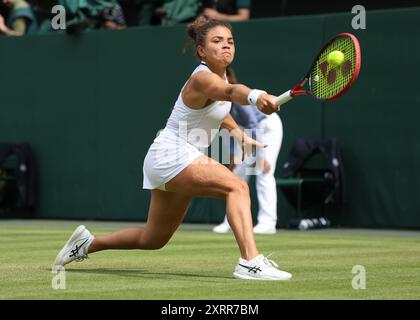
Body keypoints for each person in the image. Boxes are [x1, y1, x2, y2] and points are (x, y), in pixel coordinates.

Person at [53, 16, 292, 281]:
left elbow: (220, 110)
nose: (226, 46)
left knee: (152, 238)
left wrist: (238, 133)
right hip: (172, 155)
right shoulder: (203, 79)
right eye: (217, 41)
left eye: (230, 41)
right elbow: (232, 91)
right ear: (201, 50)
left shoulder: (219, 78)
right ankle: (250, 262)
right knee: (237, 187)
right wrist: (257, 96)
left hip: (169, 158)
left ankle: (86, 244)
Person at [213, 67, 283, 235]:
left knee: (263, 171)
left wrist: (261, 157)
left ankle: (268, 222)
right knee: (236, 177)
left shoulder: (237, 97)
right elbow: (227, 126)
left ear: (229, 79)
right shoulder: (215, 100)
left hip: (266, 128)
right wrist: (233, 156)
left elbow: (253, 125)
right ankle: (231, 221)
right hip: (245, 133)